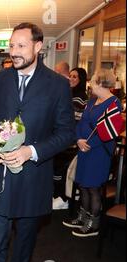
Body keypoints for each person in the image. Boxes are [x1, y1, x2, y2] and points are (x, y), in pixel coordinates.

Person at [0, 22, 75, 262]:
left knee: (24, 241)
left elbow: (67, 133)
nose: (14, 52)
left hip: (34, 180)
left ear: (38, 46)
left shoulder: (57, 85)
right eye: (11, 46)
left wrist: (30, 151)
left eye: (21, 46)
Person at [63, 69, 122, 237]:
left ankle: (93, 223)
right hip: (84, 149)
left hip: (98, 152)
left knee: (93, 188)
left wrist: (88, 144)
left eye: (93, 81)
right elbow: (82, 123)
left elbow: (109, 133)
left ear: (101, 84)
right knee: (83, 184)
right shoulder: (92, 101)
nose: (90, 85)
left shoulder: (113, 104)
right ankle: (82, 218)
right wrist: (79, 140)